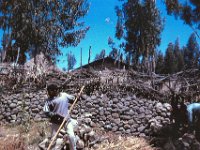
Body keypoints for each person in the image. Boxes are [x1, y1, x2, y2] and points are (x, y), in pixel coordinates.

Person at [39, 83, 78, 150]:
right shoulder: (48, 101)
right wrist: (55, 115)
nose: (48, 93)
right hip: (56, 122)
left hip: (66, 120)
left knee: (71, 136)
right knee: (53, 140)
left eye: (49, 91)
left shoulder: (64, 95)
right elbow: (46, 111)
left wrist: (77, 97)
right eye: (48, 91)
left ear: (55, 90)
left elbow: (73, 99)